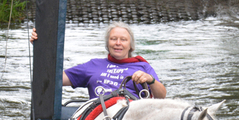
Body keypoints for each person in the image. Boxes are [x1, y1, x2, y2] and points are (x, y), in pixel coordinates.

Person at [30, 22, 167, 99]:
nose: (118, 43)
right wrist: (42, 48)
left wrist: (150, 80)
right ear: (107, 44)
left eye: (123, 40)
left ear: (130, 45)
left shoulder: (143, 66)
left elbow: (161, 97)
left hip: (132, 117)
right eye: (113, 39)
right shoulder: (93, 65)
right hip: (98, 116)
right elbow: (52, 79)